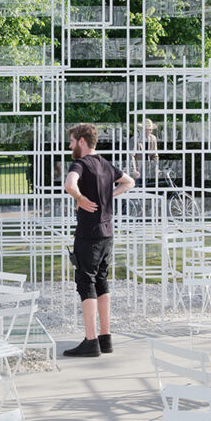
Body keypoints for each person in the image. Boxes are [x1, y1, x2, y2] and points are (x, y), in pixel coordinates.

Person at [62, 123, 134, 358]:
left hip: (88, 234)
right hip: (107, 234)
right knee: (102, 282)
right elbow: (130, 181)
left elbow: (69, 185)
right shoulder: (106, 164)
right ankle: (106, 338)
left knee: (86, 282)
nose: (70, 145)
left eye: (72, 140)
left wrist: (80, 198)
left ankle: (91, 341)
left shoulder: (80, 164)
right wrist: (109, 196)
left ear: (82, 141)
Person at [129, 119, 159, 188]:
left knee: (144, 189)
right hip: (137, 169)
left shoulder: (153, 139)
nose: (148, 131)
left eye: (150, 129)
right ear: (142, 129)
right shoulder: (135, 139)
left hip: (147, 169)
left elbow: (155, 155)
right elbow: (131, 155)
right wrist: (134, 169)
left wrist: (156, 167)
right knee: (135, 189)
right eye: (146, 129)